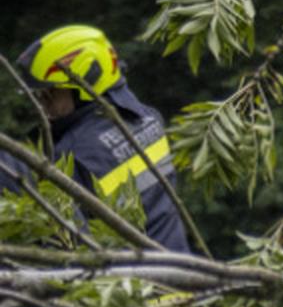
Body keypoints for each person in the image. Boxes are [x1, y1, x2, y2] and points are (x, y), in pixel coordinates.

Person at [15, 25, 191, 252]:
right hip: (183, 270)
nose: (42, 105)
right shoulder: (149, 119)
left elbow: (68, 249)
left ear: (85, 84)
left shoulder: (72, 157)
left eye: (50, 94)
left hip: (131, 284)